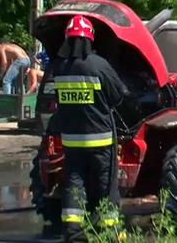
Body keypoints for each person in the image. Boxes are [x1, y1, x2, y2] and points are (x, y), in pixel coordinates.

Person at [53, 15, 129, 241]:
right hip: (101, 140)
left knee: (74, 183)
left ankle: (74, 232)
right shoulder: (99, 65)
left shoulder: (59, 68)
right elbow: (118, 96)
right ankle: (109, 232)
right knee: (105, 186)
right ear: (90, 39)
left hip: (71, 140)